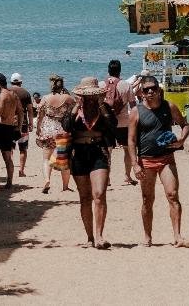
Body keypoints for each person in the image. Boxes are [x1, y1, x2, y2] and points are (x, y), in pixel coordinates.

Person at [127, 75, 189, 247]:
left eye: (153, 88)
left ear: (159, 89)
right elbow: (131, 141)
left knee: (172, 195)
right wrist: (135, 164)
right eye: (146, 89)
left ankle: (177, 236)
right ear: (141, 92)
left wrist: (182, 140)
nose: (150, 92)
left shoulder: (169, 106)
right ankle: (147, 237)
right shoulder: (136, 112)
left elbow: (185, 124)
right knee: (148, 199)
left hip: (166, 159)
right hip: (146, 161)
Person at [68, 77, 117, 249]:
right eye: (86, 96)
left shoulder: (104, 109)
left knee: (99, 194)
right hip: (79, 153)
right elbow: (66, 126)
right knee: (84, 197)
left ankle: (99, 236)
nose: (89, 99)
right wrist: (76, 107)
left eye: (92, 96)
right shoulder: (75, 111)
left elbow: (113, 126)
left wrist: (102, 104)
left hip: (98, 152)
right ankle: (89, 237)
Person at [100, 59, 137, 186]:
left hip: (106, 123)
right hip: (123, 123)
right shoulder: (126, 85)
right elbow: (133, 106)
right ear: (120, 71)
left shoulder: (100, 85)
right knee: (127, 149)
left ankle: (107, 178)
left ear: (108, 70)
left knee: (107, 150)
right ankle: (127, 176)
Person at [36, 75, 74, 194]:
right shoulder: (67, 98)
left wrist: (38, 128)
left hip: (48, 129)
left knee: (46, 158)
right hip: (62, 130)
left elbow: (40, 115)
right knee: (64, 159)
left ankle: (47, 180)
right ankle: (65, 186)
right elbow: (75, 111)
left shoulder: (46, 98)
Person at [0, 73, 23, 188]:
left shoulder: (0, 96)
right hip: (10, 128)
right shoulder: (13, 95)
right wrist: (18, 127)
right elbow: (20, 111)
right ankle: (9, 182)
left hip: (0, 128)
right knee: (8, 157)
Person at [8, 72, 35, 178]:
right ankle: (21, 171)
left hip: (9, 124)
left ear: (11, 82)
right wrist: (31, 123)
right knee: (23, 149)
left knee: (9, 149)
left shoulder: (7, 92)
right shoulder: (26, 93)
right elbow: (30, 110)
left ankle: (9, 169)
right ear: (21, 82)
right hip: (23, 124)